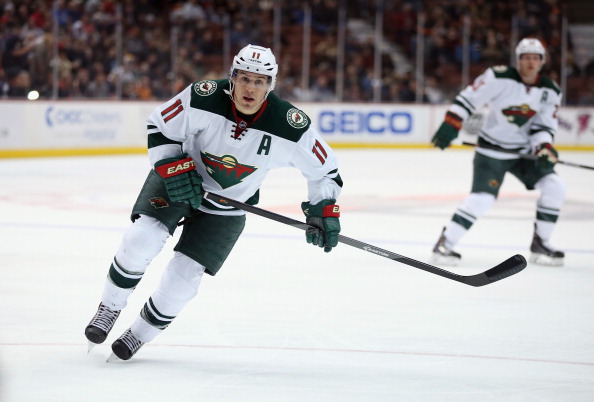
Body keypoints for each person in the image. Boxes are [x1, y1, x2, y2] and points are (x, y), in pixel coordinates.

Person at [84, 44, 343, 361]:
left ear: (270, 85)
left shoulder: (290, 126)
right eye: (244, 78)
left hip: (228, 208)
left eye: (259, 81)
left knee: (183, 280)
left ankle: (137, 335)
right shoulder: (203, 96)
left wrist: (323, 211)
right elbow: (160, 126)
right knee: (142, 239)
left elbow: (326, 172)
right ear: (232, 78)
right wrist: (175, 168)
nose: (250, 88)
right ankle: (109, 308)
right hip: (180, 180)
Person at [430, 38, 565, 267]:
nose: (531, 63)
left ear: (542, 61)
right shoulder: (499, 76)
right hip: (492, 150)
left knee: (555, 186)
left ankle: (541, 243)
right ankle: (445, 243)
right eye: (526, 58)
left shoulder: (550, 90)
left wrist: (544, 147)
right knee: (482, 199)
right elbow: (469, 98)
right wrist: (452, 122)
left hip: (524, 153)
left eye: (535, 58)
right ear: (518, 60)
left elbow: (543, 126)